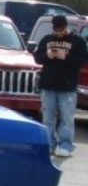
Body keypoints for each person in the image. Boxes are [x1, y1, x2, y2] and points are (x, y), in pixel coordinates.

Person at [33, 14, 88, 158]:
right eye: (56, 30)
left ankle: (66, 145)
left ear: (66, 26)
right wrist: (48, 56)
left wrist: (66, 57)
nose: (58, 32)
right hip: (48, 85)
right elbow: (37, 57)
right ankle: (49, 143)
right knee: (48, 118)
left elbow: (83, 60)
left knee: (67, 118)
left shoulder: (78, 41)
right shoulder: (47, 39)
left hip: (68, 87)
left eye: (61, 29)